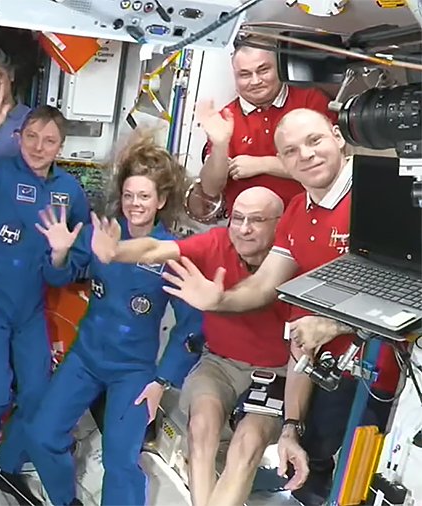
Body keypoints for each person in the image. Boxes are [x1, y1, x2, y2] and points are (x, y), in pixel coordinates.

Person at [162, 108, 398, 505]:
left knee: (349, 491)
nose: (305, 155)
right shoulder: (296, 212)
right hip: (317, 374)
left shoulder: (381, 194)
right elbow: (265, 287)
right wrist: (221, 299)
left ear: (338, 138)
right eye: (291, 151)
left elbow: (407, 289)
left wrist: (335, 326)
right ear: (283, 163)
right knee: (309, 483)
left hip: (374, 383)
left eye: (314, 141)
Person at [23, 132, 204, 506]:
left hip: (133, 373)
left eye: (144, 196)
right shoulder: (100, 236)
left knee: (121, 461)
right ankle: (64, 500)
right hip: (85, 359)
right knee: (41, 433)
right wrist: (59, 254)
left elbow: (192, 326)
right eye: (129, 195)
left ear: (161, 201)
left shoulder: (169, 254)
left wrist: (161, 382)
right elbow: (60, 276)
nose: (134, 204)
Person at [90, 186, 299, 506]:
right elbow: (156, 249)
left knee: (248, 443)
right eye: (238, 218)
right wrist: (117, 251)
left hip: (273, 371)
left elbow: (263, 296)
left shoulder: (293, 261)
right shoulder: (216, 242)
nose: (244, 229)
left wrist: (219, 300)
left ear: (279, 224)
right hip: (219, 362)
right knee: (201, 428)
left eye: (256, 220)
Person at [0, 79, 89, 501]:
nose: (39, 147)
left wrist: (62, 258)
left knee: (37, 391)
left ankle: (9, 461)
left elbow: (71, 265)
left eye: (49, 140)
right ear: (17, 136)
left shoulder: (69, 191)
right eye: (31, 136)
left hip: (30, 307)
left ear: (60, 147)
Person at [197, 36, 336, 216]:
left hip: (310, 222)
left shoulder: (310, 100)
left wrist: (263, 164)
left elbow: (331, 167)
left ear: (278, 67)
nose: (255, 81)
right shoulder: (225, 118)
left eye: (263, 70)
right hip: (247, 231)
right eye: (245, 74)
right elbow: (211, 189)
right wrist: (220, 146)